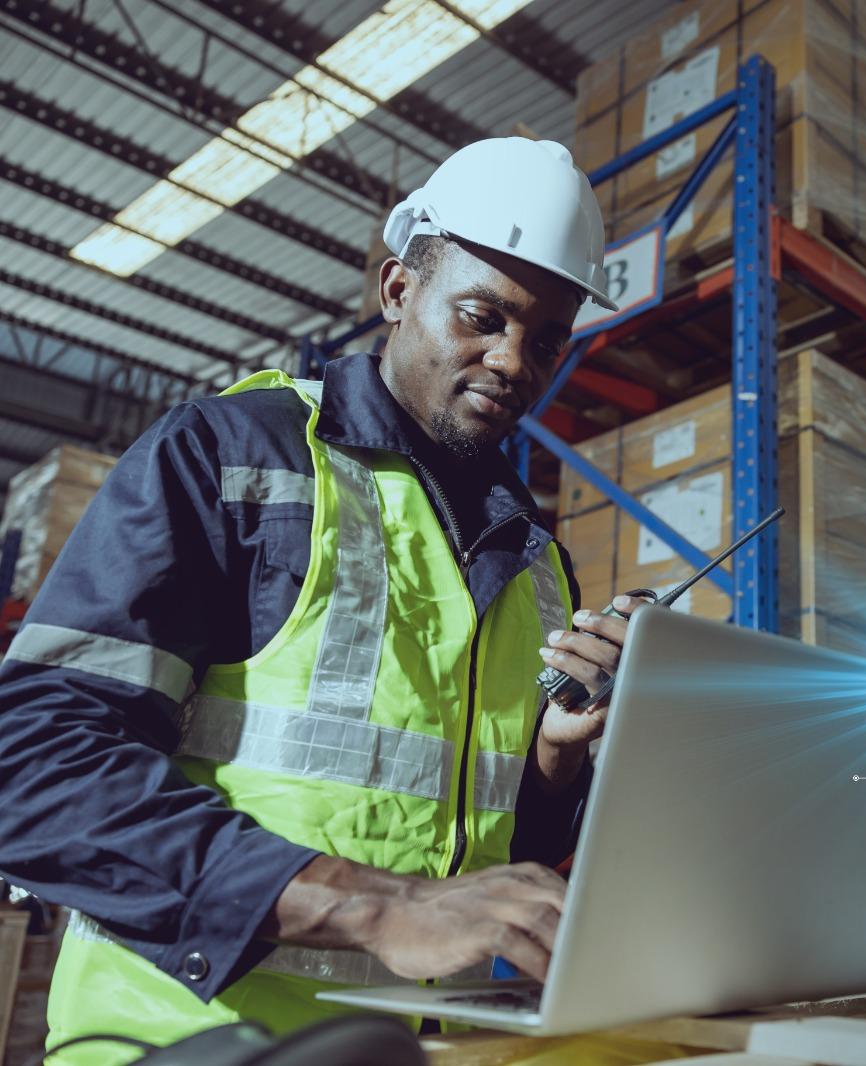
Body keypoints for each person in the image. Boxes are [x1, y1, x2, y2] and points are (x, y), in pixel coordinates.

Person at [0, 139, 667, 1063]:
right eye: (481, 316)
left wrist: (556, 759)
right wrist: (372, 902)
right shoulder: (236, 459)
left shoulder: (541, 567)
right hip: (182, 1039)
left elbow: (483, 845)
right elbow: (32, 766)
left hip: (423, 1048)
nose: (515, 361)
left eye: (546, 338)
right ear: (398, 292)